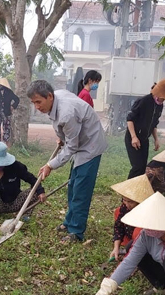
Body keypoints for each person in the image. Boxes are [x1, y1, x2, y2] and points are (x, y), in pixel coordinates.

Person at [27, 80, 107, 243]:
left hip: (90, 145)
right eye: (33, 103)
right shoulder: (57, 97)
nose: (37, 107)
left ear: (49, 96)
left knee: (81, 190)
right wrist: (62, 137)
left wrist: (50, 165)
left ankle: (76, 232)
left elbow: (71, 147)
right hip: (79, 142)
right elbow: (68, 135)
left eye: (38, 102)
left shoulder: (66, 113)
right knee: (72, 186)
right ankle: (69, 222)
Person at [125, 79, 165, 178]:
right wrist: (134, 137)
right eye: (163, 97)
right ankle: (127, 191)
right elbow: (130, 119)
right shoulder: (144, 101)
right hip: (133, 137)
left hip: (144, 139)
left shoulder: (160, 105)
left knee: (143, 168)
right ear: (158, 93)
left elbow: (154, 124)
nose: (163, 100)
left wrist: (156, 139)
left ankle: (137, 190)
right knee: (137, 166)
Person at [109, 174, 154, 262]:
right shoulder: (125, 207)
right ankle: (128, 246)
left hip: (145, 244)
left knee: (138, 231)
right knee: (118, 211)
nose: (126, 204)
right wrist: (116, 247)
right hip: (130, 237)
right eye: (124, 200)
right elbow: (119, 226)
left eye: (130, 202)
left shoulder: (148, 212)